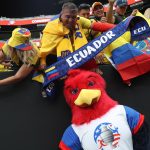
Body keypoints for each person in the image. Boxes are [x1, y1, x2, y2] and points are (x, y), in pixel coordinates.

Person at [39, 2, 115, 70]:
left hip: (79, 58)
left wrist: (117, 27)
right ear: (61, 15)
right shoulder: (51, 26)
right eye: (67, 17)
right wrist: (43, 62)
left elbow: (97, 26)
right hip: (55, 60)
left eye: (73, 17)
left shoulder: (79, 20)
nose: (71, 20)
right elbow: (44, 49)